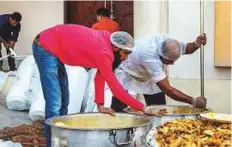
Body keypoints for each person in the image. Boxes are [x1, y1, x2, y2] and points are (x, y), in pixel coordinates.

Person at [32, 24, 145, 147]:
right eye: (126, 53)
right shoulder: (104, 52)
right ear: (116, 48)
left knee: (65, 101)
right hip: (44, 46)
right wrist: (142, 108)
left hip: (55, 46)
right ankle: (52, 144)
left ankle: (61, 141)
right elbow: (116, 89)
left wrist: (100, 105)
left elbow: (100, 77)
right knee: (55, 103)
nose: (126, 58)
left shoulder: (108, 41)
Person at [111, 34, 207, 112]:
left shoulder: (169, 43)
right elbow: (168, 90)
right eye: (169, 61)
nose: (172, 63)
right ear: (161, 56)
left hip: (145, 73)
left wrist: (196, 44)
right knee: (119, 106)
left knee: (159, 109)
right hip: (127, 71)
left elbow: (186, 48)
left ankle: (156, 129)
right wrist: (193, 101)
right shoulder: (150, 57)